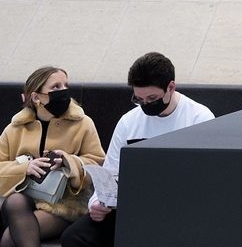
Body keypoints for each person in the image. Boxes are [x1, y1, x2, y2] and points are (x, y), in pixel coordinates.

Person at [61, 52, 213, 247]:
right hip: (131, 208)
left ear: (171, 87)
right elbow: (110, 172)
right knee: (75, 237)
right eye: (139, 99)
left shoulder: (198, 118)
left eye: (152, 98)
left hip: (180, 211)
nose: (146, 104)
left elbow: (206, 179)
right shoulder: (129, 122)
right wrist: (97, 203)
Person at [0, 65, 104, 246]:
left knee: (10, 238)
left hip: (65, 205)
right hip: (22, 202)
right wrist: (24, 169)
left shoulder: (83, 123)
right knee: (15, 201)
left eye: (65, 85)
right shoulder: (16, 128)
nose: (63, 91)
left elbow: (98, 164)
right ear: (36, 97)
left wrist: (68, 161)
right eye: (55, 87)